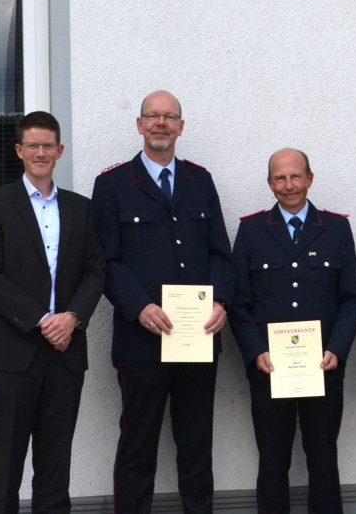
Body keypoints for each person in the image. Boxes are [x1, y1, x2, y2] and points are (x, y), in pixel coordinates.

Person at [91, 90, 234, 514]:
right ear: (139, 125)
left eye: (170, 117)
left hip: (196, 339)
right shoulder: (113, 185)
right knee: (138, 446)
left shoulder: (200, 181)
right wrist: (139, 307)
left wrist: (221, 302)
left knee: (196, 445)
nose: (161, 123)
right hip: (142, 342)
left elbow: (219, 253)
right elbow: (107, 261)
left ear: (181, 127)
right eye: (153, 116)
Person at [0, 111, 106, 513]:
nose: (41, 152)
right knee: (5, 467)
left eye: (48, 145)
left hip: (64, 357)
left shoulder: (81, 208)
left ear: (60, 150)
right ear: (19, 151)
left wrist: (72, 317)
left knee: (55, 466)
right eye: (33, 145)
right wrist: (43, 319)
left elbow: (96, 270)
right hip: (12, 355)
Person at [229, 148, 356, 513]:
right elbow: (239, 302)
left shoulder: (335, 228)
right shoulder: (252, 230)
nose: (288, 185)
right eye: (279, 178)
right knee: (272, 461)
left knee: (323, 459)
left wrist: (337, 349)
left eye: (295, 176)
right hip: (269, 368)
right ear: (270, 183)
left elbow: (352, 298)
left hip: (323, 366)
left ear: (310, 178)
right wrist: (256, 350)